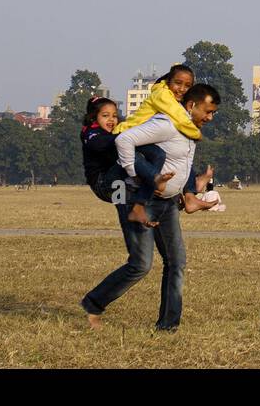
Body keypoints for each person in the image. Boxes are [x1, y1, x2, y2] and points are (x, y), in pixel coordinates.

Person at [82, 83, 220, 332]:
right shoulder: (165, 124)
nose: (210, 118)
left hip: (167, 202)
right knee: (141, 264)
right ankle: (94, 302)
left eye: (213, 113)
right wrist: (137, 176)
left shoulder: (189, 129)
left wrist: (189, 189)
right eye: (207, 112)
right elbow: (125, 140)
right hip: (137, 197)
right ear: (191, 106)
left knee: (176, 262)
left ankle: (168, 326)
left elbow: (180, 162)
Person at [80, 96, 176, 227]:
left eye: (114, 116)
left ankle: (140, 205)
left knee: (158, 153)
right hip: (103, 183)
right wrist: (124, 138)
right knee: (129, 153)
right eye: (105, 115)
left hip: (122, 179)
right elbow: (98, 144)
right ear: (94, 118)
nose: (111, 119)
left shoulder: (119, 130)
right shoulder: (91, 132)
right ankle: (154, 179)